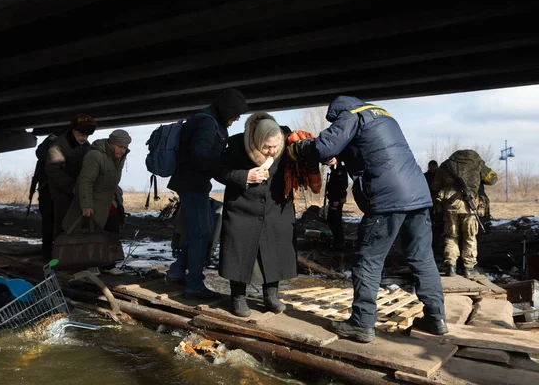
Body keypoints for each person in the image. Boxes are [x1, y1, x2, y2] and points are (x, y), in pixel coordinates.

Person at [286, 96, 447, 343]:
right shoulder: (383, 116)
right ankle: (436, 318)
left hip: (389, 198)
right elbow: (372, 152)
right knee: (422, 257)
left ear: (339, 112)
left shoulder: (352, 115)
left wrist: (300, 149)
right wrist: (342, 157)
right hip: (418, 194)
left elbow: (322, 147)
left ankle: (361, 323)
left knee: (367, 261)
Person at [166, 88, 248, 299]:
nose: (237, 118)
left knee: (203, 230)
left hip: (196, 184)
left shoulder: (213, 121)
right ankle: (194, 285)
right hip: (192, 184)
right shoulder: (206, 123)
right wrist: (230, 175)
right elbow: (201, 156)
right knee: (201, 232)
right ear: (227, 109)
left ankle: (176, 272)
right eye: (235, 114)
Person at [215, 112, 297, 317]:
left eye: (275, 147)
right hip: (242, 208)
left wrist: (328, 158)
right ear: (256, 140)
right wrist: (245, 176)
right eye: (266, 147)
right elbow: (219, 171)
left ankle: (271, 296)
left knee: (274, 250)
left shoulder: (288, 140)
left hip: (276, 208)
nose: (271, 152)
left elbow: (309, 152)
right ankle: (238, 297)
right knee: (240, 252)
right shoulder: (235, 145)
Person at [62, 129, 131, 275]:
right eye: (119, 146)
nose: (121, 150)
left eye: (124, 147)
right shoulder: (95, 155)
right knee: (90, 233)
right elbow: (85, 181)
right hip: (94, 201)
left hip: (110, 200)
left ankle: (108, 264)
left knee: (112, 230)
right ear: (111, 143)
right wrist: (86, 205)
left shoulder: (120, 156)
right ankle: (90, 265)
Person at [432, 150, 497, 278]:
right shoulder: (477, 164)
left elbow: (435, 186)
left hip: (450, 204)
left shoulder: (446, 165)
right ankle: (468, 268)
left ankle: (451, 266)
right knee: (470, 236)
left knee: (451, 235)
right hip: (470, 205)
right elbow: (493, 179)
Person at [45, 114, 96, 239]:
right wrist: (71, 187)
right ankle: (56, 257)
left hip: (78, 193)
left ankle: (73, 256)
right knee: (62, 227)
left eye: (87, 135)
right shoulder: (58, 146)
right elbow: (53, 169)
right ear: (73, 131)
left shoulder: (85, 145)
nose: (84, 138)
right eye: (82, 134)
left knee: (77, 227)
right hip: (62, 194)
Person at [32, 133, 59, 262]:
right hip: (48, 191)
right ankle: (48, 253)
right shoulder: (50, 147)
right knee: (49, 224)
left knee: (53, 224)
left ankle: (51, 253)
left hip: (56, 192)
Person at [326, 162, 349, 251]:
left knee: (334, 220)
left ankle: (339, 243)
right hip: (334, 199)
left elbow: (341, 187)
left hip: (336, 199)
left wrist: (336, 199)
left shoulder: (340, 171)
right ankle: (337, 241)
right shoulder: (335, 171)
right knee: (332, 219)